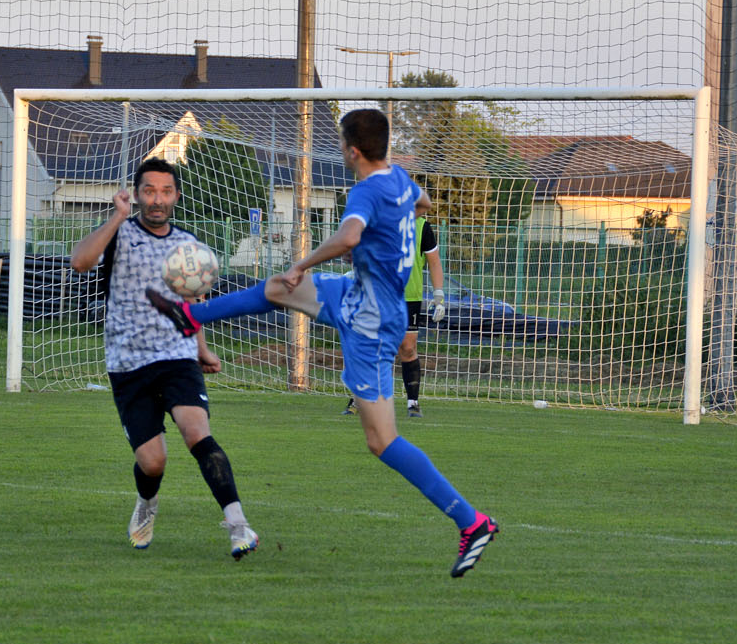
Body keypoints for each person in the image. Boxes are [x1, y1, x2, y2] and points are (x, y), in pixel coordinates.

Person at [145, 110, 497, 578]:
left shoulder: (369, 188)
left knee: (382, 439)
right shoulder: (401, 179)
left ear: (352, 150)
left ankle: (471, 521)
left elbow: (350, 234)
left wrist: (305, 260)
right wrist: (387, 233)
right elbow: (424, 202)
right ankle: (191, 314)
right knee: (277, 288)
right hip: (356, 294)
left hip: (373, 323)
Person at [70, 156, 259, 560]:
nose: (157, 199)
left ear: (176, 195)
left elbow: (193, 304)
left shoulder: (188, 246)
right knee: (153, 463)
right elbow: (79, 262)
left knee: (197, 431)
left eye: (166, 191)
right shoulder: (120, 234)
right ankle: (146, 505)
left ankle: (239, 525)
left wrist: (203, 351)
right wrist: (115, 218)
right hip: (128, 363)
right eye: (149, 190)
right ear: (137, 195)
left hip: (177, 356)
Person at [342, 215, 445, 418]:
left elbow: (434, 262)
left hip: (409, 298)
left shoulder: (422, 226)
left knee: (407, 348)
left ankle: (413, 403)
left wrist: (439, 295)